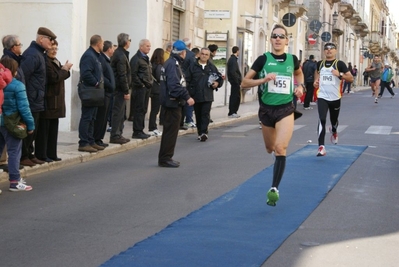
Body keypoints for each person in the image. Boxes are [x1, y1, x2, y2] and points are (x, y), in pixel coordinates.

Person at [241, 24, 304, 206]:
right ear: (270, 39)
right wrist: (264, 79)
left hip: (286, 108)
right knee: (270, 148)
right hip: (266, 110)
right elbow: (245, 82)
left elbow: (299, 75)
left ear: (286, 40)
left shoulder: (293, 60)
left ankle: (274, 188)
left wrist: (300, 87)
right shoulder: (263, 59)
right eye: (274, 36)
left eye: (281, 36)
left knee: (280, 148)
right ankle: (274, 156)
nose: (278, 39)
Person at [19, 27, 56, 166]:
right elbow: (23, 76)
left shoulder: (40, 54)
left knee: (33, 130)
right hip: (30, 99)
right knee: (28, 129)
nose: (52, 43)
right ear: (41, 39)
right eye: (50, 40)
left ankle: (29, 153)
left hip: (37, 99)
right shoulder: (33, 54)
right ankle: (23, 156)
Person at [158, 40, 194, 168]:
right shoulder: (173, 65)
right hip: (172, 102)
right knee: (170, 132)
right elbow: (174, 85)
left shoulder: (171, 63)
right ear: (183, 52)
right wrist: (187, 97)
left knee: (170, 131)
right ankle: (165, 158)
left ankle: (166, 157)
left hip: (172, 102)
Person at [0, 57, 34, 191]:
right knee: (14, 152)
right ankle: (14, 182)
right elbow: (24, 108)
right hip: (12, 123)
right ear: (14, 71)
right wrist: (30, 126)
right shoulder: (17, 85)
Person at [313, 42, 353, 157]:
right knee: (322, 119)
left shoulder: (339, 64)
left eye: (331, 48)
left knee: (334, 120)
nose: (329, 50)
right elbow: (317, 74)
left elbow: (350, 78)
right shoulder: (320, 64)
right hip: (322, 96)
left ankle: (334, 131)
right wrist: (316, 81)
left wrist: (339, 74)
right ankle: (321, 147)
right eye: (326, 48)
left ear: (335, 51)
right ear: (324, 51)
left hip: (335, 97)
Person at [35, 40, 72, 162]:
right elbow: (54, 77)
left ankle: (52, 153)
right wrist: (64, 69)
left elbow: (63, 75)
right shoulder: (46, 61)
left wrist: (64, 70)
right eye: (52, 49)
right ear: (47, 49)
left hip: (56, 100)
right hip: (49, 100)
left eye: (56, 49)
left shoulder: (55, 61)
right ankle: (42, 154)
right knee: (44, 130)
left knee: (53, 130)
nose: (54, 51)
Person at [186, 47, 223, 142]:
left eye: (206, 54)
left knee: (205, 114)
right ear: (199, 54)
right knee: (198, 114)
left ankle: (204, 133)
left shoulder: (211, 67)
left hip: (207, 94)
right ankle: (200, 132)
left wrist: (217, 83)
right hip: (196, 95)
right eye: (202, 54)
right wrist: (188, 93)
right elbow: (187, 80)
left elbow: (219, 78)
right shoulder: (193, 66)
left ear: (209, 56)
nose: (204, 56)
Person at [77, 35, 105, 152]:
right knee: (87, 117)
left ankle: (91, 140)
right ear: (98, 44)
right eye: (102, 44)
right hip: (90, 90)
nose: (103, 46)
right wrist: (96, 83)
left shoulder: (95, 56)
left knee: (92, 117)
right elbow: (86, 73)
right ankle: (84, 142)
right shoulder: (89, 56)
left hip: (94, 91)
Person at [110, 33, 131, 144]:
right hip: (119, 89)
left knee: (121, 112)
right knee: (118, 112)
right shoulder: (120, 55)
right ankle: (115, 135)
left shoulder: (121, 54)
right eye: (130, 40)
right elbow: (122, 74)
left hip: (119, 88)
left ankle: (119, 134)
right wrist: (126, 90)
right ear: (126, 42)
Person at [94, 40, 115, 147]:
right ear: (109, 49)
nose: (113, 50)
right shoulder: (102, 59)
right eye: (112, 48)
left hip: (108, 93)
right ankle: (97, 138)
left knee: (104, 117)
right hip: (104, 92)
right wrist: (110, 85)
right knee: (101, 117)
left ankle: (99, 139)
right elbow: (102, 76)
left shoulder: (107, 60)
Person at [130, 39, 153, 139]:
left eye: (149, 46)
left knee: (143, 109)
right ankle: (137, 131)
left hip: (146, 88)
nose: (149, 48)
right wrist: (141, 84)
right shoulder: (136, 59)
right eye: (147, 46)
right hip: (139, 88)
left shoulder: (146, 58)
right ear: (141, 47)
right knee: (138, 109)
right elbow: (133, 74)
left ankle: (141, 129)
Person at [181, 38, 197, 129]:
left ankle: (182, 120)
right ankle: (188, 120)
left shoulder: (175, 53)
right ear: (190, 45)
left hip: (178, 80)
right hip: (188, 81)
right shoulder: (191, 55)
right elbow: (193, 68)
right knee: (189, 100)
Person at [148, 48, 164, 136]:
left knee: (154, 110)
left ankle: (153, 126)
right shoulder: (158, 65)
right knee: (155, 110)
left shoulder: (152, 64)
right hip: (157, 90)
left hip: (153, 89)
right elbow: (159, 77)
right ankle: (152, 127)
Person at [227, 46, 242, 118]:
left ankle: (233, 111)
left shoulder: (233, 59)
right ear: (237, 51)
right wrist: (237, 80)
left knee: (236, 96)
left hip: (235, 82)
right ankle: (232, 112)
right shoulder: (233, 60)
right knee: (235, 97)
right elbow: (233, 72)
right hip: (235, 82)